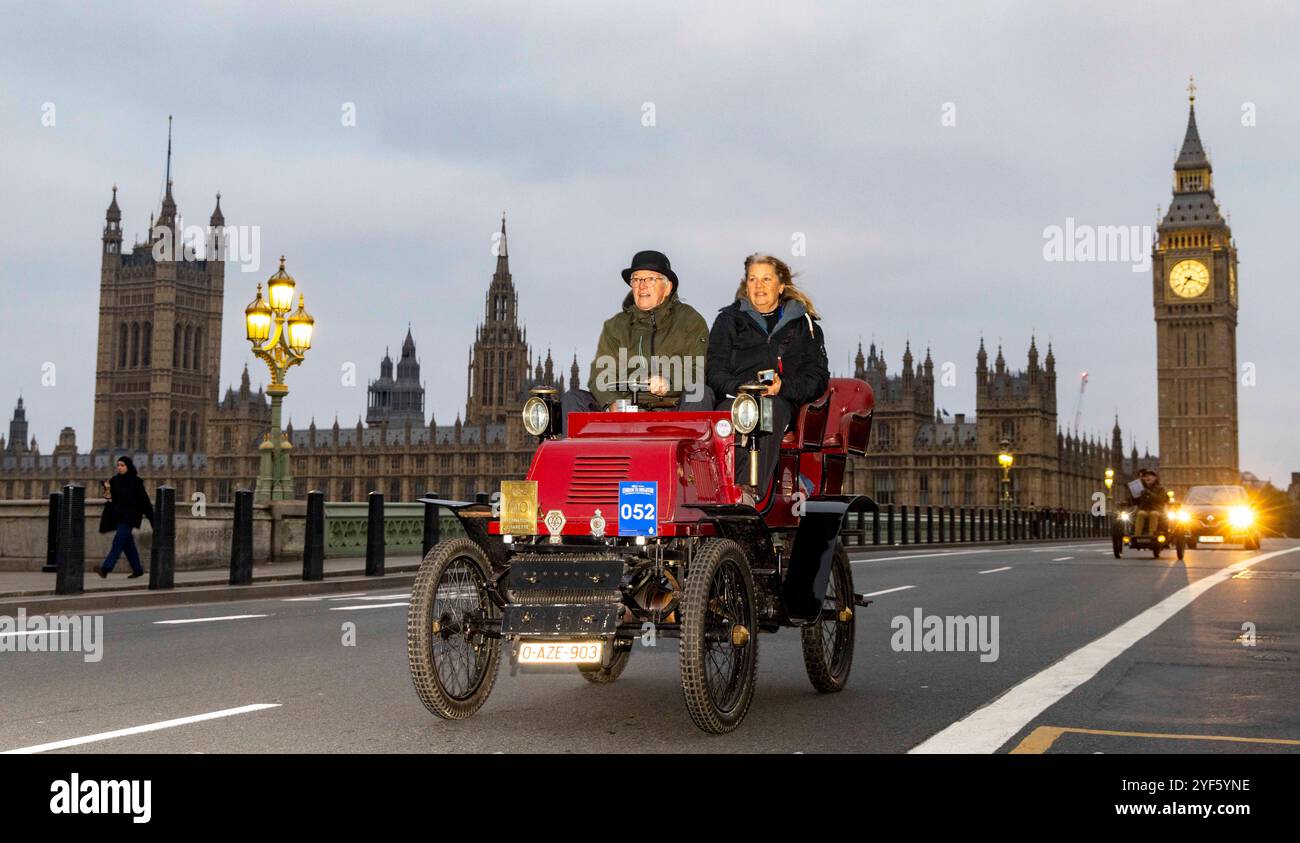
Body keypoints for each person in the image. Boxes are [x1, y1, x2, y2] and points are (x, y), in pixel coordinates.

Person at [706, 253, 829, 497]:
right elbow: (714, 370)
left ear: (781, 286)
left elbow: (816, 377)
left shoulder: (805, 326)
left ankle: (749, 493)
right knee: (726, 418)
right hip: (736, 398)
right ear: (746, 285)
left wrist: (782, 387)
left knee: (767, 412)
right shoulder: (727, 321)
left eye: (766, 279)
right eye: (753, 279)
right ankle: (711, 489)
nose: (759, 285)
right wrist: (741, 388)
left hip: (780, 400)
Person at [563, 249, 712, 426]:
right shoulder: (615, 326)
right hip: (625, 411)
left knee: (700, 392)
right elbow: (600, 376)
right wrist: (611, 402)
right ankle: (582, 453)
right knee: (572, 399)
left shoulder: (690, 321)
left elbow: (698, 372)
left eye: (650, 279)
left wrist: (668, 384)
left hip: (673, 409)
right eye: (636, 280)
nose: (642, 286)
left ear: (668, 287)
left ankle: (688, 451)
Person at [99, 455, 154, 579]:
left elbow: (145, 502)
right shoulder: (114, 480)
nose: (119, 468)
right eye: (118, 465)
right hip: (119, 517)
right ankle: (138, 569)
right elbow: (109, 500)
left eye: (122, 465)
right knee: (128, 544)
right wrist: (106, 488)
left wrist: (153, 519)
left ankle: (105, 568)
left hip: (130, 517)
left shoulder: (136, 482)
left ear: (128, 466)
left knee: (118, 541)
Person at [1132, 469, 1167, 537]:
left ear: (1155, 478)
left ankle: (1152, 535)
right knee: (1140, 513)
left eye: (1150, 476)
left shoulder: (1160, 489)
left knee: (1153, 514)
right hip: (1144, 510)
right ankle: (1137, 536)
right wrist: (1133, 496)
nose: (1147, 477)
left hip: (1157, 510)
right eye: (1146, 476)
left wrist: (1149, 493)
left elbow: (1161, 500)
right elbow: (1135, 502)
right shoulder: (1141, 489)